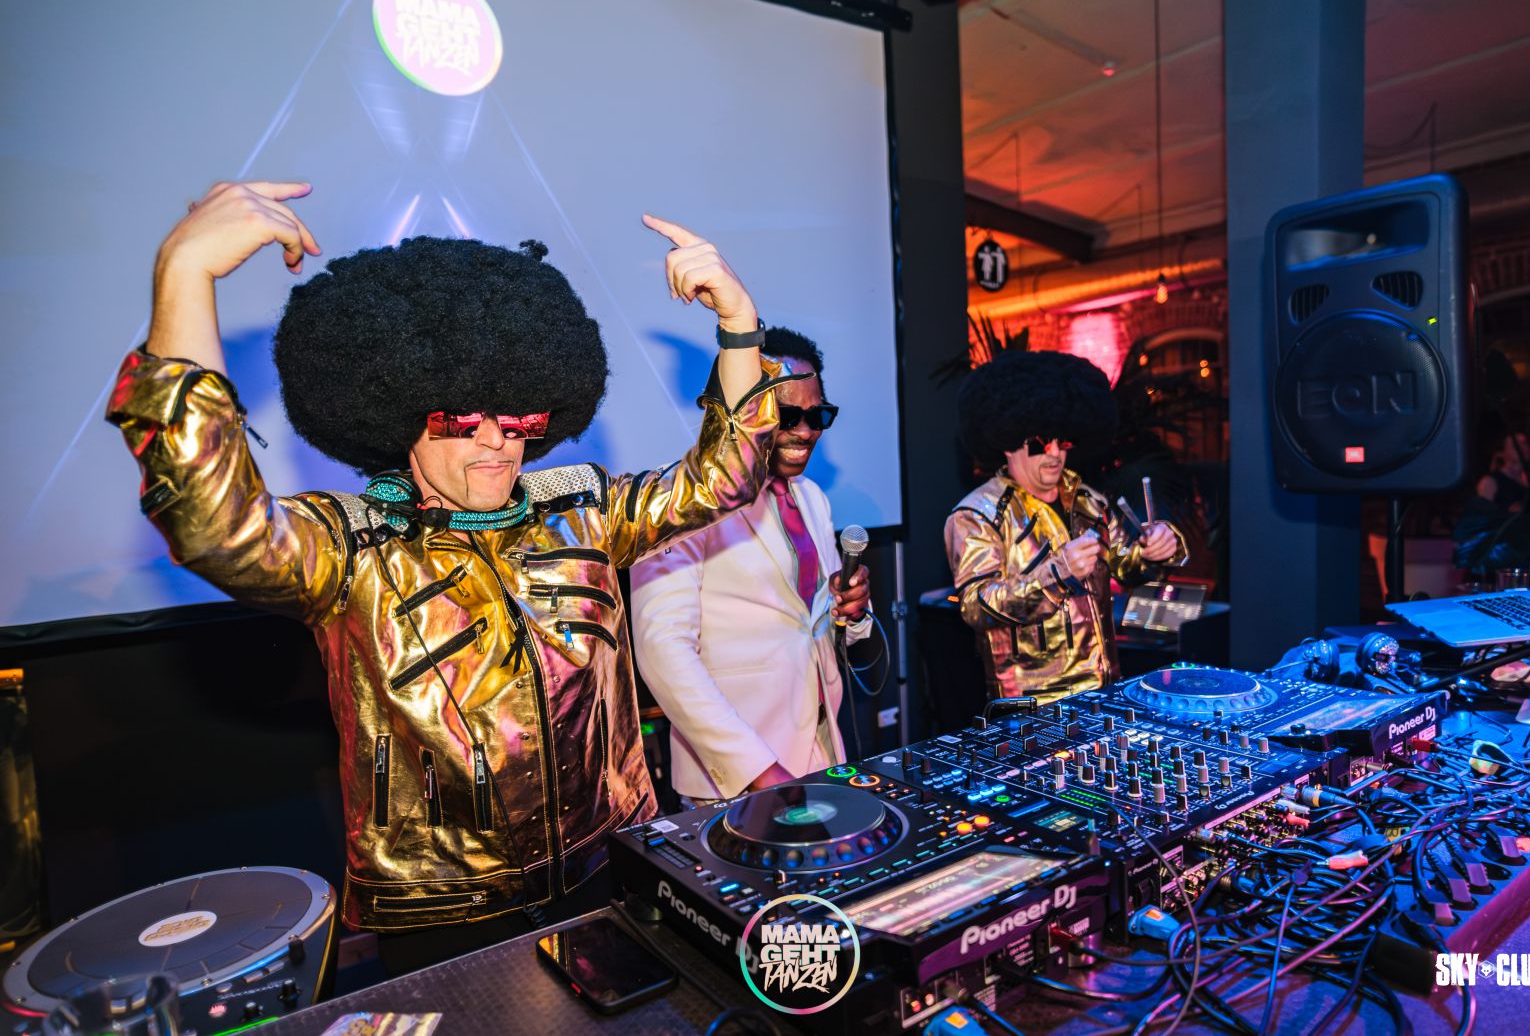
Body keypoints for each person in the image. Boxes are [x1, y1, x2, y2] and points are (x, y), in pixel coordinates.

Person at [105, 180, 791, 974]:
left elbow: (725, 477)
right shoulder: (350, 549)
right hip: (444, 910)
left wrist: (740, 326)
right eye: (462, 421)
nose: (498, 442)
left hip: (611, 865)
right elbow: (213, 524)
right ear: (402, 415)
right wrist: (185, 271)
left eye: (520, 419)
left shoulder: (585, 512)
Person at [631, 327, 872, 806]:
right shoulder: (678, 501)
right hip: (735, 779)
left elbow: (818, 630)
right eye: (787, 416)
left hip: (821, 753)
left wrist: (855, 611)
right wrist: (758, 771)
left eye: (818, 416)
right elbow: (663, 651)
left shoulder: (812, 497)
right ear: (739, 411)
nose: (806, 431)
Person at [944, 351, 1185, 701]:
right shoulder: (978, 515)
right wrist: (1056, 574)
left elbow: (1126, 567)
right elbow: (975, 606)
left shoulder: (1090, 501)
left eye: (1063, 441)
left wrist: (1156, 550)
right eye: (1041, 443)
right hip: (1031, 706)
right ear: (1008, 442)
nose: (1055, 453)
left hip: (1104, 693)